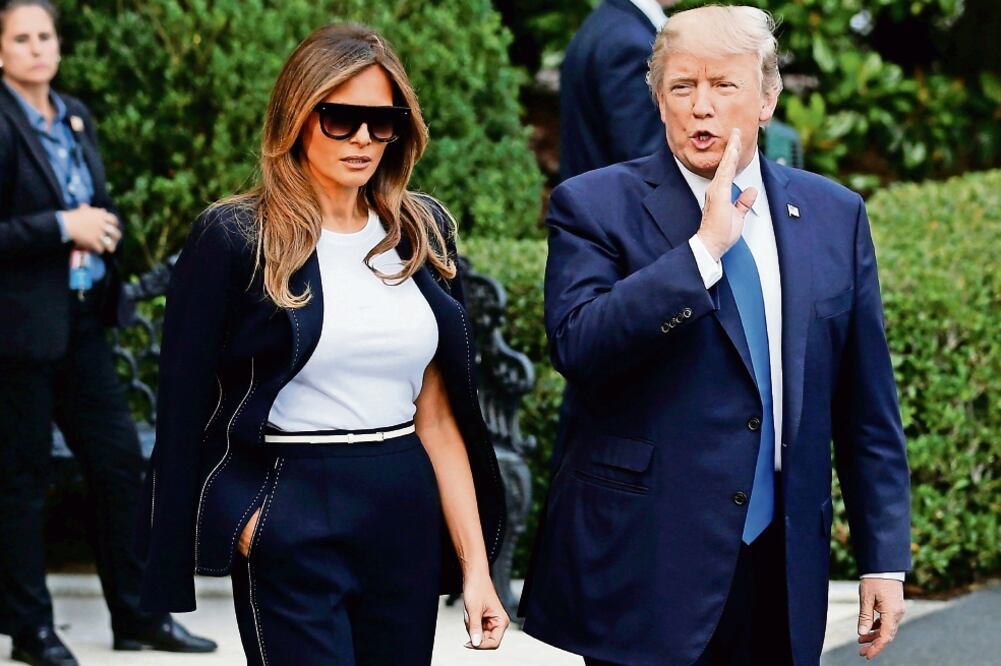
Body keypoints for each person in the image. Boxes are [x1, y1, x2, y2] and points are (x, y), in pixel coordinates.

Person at [520, 5, 911, 665]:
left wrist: (882, 558)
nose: (701, 106)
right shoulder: (592, 206)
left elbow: (864, 404)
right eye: (681, 86)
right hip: (647, 566)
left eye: (723, 85)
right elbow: (579, 345)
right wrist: (701, 253)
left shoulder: (833, 214)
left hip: (782, 566)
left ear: (766, 98)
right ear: (659, 100)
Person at [135, 22, 510, 666]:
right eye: (340, 118)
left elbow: (441, 419)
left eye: (382, 121)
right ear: (298, 118)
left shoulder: (422, 230)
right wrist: (250, 523)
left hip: (403, 501)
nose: (363, 138)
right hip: (292, 497)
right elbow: (183, 405)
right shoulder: (236, 237)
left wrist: (478, 570)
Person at [0, 2, 217, 664]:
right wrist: (64, 227)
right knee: (21, 480)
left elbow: (93, 197)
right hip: (16, 332)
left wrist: (103, 229)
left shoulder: (73, 114)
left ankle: (138, 616)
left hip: (84, 318)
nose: (37, 47)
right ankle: (32, 630)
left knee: (120, 462)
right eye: (21, 37)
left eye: (45, 36)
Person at [559, 0, 681, 181]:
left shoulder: (606, 22)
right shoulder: (631, 44)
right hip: (615, 202)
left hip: (590, 194)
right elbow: (644, 157)